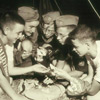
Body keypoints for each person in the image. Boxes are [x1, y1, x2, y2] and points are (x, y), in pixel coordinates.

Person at [0, 11, 32, 100]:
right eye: (18, 33)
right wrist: (15, 96)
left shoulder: (8, 43)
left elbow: (8, 71)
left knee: (8, 81)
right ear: (6, 30)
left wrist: (34, 68)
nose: (20, 36)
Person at [69, 24, 100, 100]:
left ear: (87, 45)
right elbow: (90, 75)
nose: (73, 49)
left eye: (76, 46)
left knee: (91, 97)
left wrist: (68, 78)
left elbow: (93, 91)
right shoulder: (90, 49)